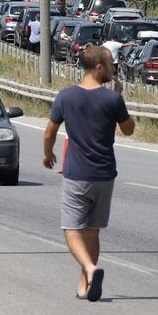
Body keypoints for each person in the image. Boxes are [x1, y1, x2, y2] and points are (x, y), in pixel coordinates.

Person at [42, 45, 135, 302]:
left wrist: (47, 154)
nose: (113, 70)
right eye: (111, 66)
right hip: (105, 175)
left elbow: (50, 131)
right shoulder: (112, 99)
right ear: (98, 67)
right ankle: (85, 282)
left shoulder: (66, 96)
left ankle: (91, 269)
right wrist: (120, 98)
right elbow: (129, 130)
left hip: (77, 174)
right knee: (92, 231)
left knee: (71, 230)